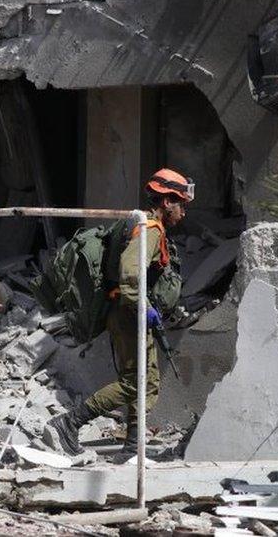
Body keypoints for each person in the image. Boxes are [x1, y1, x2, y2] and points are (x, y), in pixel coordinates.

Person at [45, 169, 193, 463]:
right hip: (129, 314)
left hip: (130, 312)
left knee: (146, 381)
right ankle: (70, 423)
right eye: (181, 205)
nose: (183, 213)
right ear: (166, 202)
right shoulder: (149, 228)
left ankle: (131, 448)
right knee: (134, 382)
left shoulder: (144, 225)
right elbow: (129, 271)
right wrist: (142, 307)